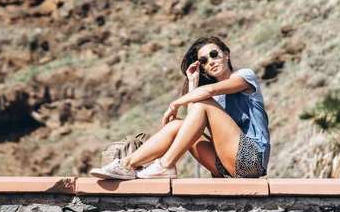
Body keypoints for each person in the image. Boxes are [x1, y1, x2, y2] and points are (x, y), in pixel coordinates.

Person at [90, 36, 270, 179]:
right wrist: (193, 82)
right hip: (226, 166)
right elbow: (193, 124)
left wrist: (176, 103)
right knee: (177, 124)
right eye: (204, 60)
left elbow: (210, 90)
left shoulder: (245, 76)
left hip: (252, 161)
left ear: (226, 54)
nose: (211, 61)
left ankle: (165, 164)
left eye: (214, 54)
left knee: (201, 102)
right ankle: (126, 165)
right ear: (204, 68)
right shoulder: (210, 98)